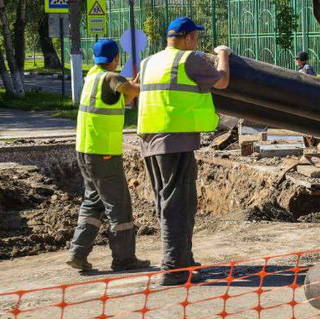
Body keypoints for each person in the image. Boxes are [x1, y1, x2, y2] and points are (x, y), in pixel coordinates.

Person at [137, 17, 230, 286]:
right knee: (178, 205)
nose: (197, 43)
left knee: (167, 203)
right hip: (175, 140)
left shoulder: (149, 62)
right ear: (188, 38)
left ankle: (182, 259)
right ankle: (174, 268)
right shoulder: (187, 60)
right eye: (196, 38)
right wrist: (222, 53)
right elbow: (222, 81)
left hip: (149, 141)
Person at [67, 39, 150, 274]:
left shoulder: (92, 76)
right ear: (115, 59)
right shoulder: (111, 78)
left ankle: (78, 253)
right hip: (103, 153)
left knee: (93, 203)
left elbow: (123, 98)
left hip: (85, 150)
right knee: (119, 206)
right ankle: (124, 260)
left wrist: (131, 85)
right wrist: (142, 81)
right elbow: (133, 91)